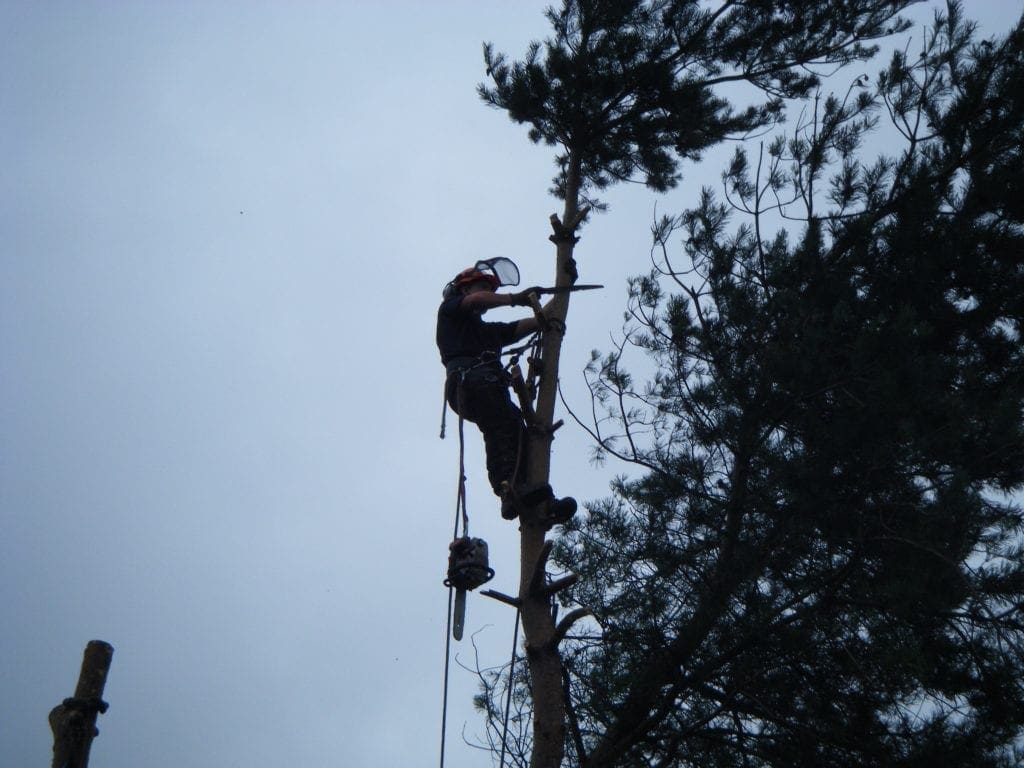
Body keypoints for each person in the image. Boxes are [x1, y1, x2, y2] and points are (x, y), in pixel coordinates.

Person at [437, 265, 576, 523]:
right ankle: (509, 491)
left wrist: (559, 300)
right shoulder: (451, 311)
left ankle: (540, 501)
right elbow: (477, 300)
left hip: (481, 384)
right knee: (501, 425)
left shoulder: (485, 332)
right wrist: (517, 299)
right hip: (470, 381)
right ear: (464, 288)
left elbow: (527, 325)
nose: (488, 295)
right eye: (484, 288)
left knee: (517, 429)